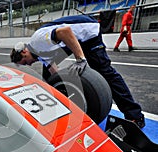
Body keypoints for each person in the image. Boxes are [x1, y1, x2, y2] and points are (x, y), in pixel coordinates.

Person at [10, 15, 145, 128]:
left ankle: (135, 116)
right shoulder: (40, 54)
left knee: (105, 72)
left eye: (25, 61)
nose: (29, 64)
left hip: (88, 33)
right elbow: (55, 74)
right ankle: (60, 106)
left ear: (24, 51)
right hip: (73, 40)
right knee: (49, 78)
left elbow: (65, 31)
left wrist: (80, 59)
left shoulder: (38, 41)